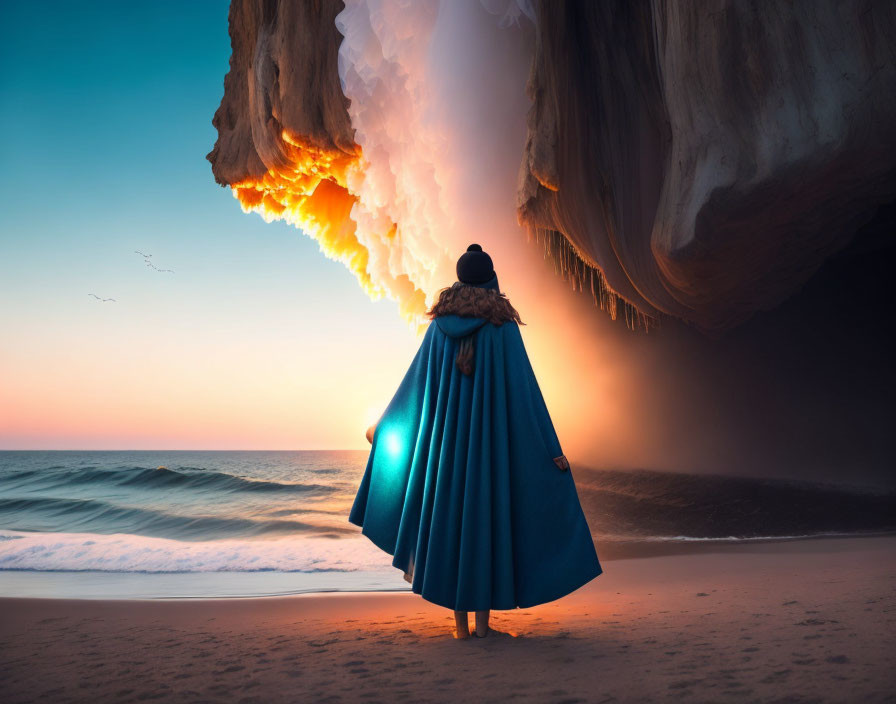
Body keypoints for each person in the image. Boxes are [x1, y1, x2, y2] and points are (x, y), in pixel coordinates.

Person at [349, 244, 602, 639]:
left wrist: (384, 427)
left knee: (451, 531)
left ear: (459, 280)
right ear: (489, 279)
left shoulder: (437, 330)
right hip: (489, 455)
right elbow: (526, 395)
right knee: (482, 530)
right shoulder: (502, 329)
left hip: (446, 457)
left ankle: (462, 629)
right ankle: (484, 627)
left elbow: (414, 388)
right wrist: (550, 450)